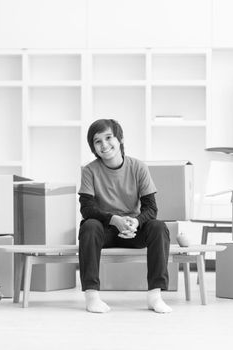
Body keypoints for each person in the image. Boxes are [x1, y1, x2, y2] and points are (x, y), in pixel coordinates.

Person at [78, 118, 171, 314]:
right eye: (97, 141)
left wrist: (136, 222)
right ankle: (92, 296)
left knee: (158, 227)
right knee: (89, 225)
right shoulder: (89, 170)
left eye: (108, 137)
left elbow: (151, 208)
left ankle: (155, 296)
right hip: (105, 231)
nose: (104, 145)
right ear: (93, 148)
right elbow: (86, 208)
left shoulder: (138, 167)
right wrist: (114, 220)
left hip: (132, 230)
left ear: (119, 139)